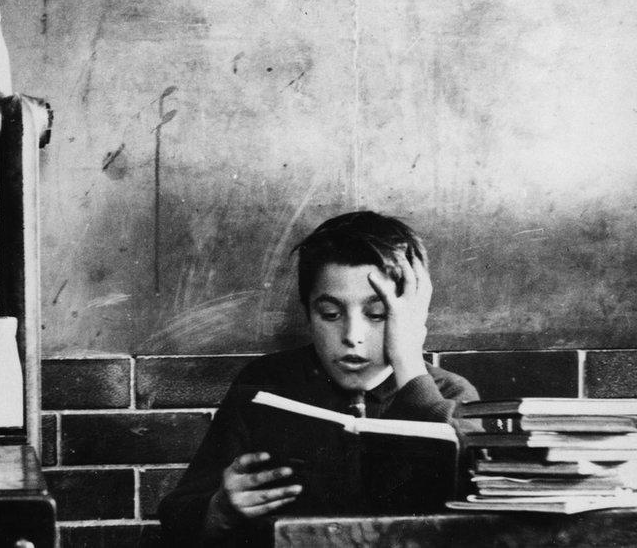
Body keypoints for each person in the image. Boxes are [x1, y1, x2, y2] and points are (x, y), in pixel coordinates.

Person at [157, 211, 479, 546]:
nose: (352, 335)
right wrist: (220, 510)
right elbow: (177, 517)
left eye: (377, 314)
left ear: (408, 317)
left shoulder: (450, 395)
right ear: (309, 313)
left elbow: (482, 521)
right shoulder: (266, 383)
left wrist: (409, 362)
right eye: (330, 314)